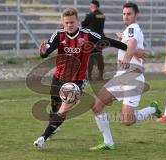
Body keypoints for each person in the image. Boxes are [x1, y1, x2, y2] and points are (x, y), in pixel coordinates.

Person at [33, 7, 145, 149]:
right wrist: (43, 53)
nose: (69, 25)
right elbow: (46, 50)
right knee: (55, 108)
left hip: (77, 80)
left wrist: (133, 50)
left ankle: (43, 137)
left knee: (64, 109)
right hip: (59, 77)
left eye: (72, 22)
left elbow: (109, 41)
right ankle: (54, 126)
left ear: (77, 21)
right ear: (63, 22)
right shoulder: (58, 34)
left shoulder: (87, 34)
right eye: (66, 23)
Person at [89, 2, 162, 151]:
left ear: (136, 15)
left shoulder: (133, 28)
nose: (126, 16)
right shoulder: (128, 30)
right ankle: (108, 142)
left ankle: (152, 109)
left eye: (129, 14)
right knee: (97, 105)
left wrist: (127, 59)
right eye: (124, 13)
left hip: (132, 77)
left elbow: (132, 43)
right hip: (121, 77)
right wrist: (123, 40)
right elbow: (130, 44)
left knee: (127, 121)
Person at [81, 0, 105, 81]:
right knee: (99, 57)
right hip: (100, 38)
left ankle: (89, 76)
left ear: (93, 6)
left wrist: (87, 17)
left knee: (90, 57)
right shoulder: (102, 15)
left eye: (91, 6)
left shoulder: (90, 15)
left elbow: (83, 24)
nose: (90, 8)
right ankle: (101, 76)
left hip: (91, 39)